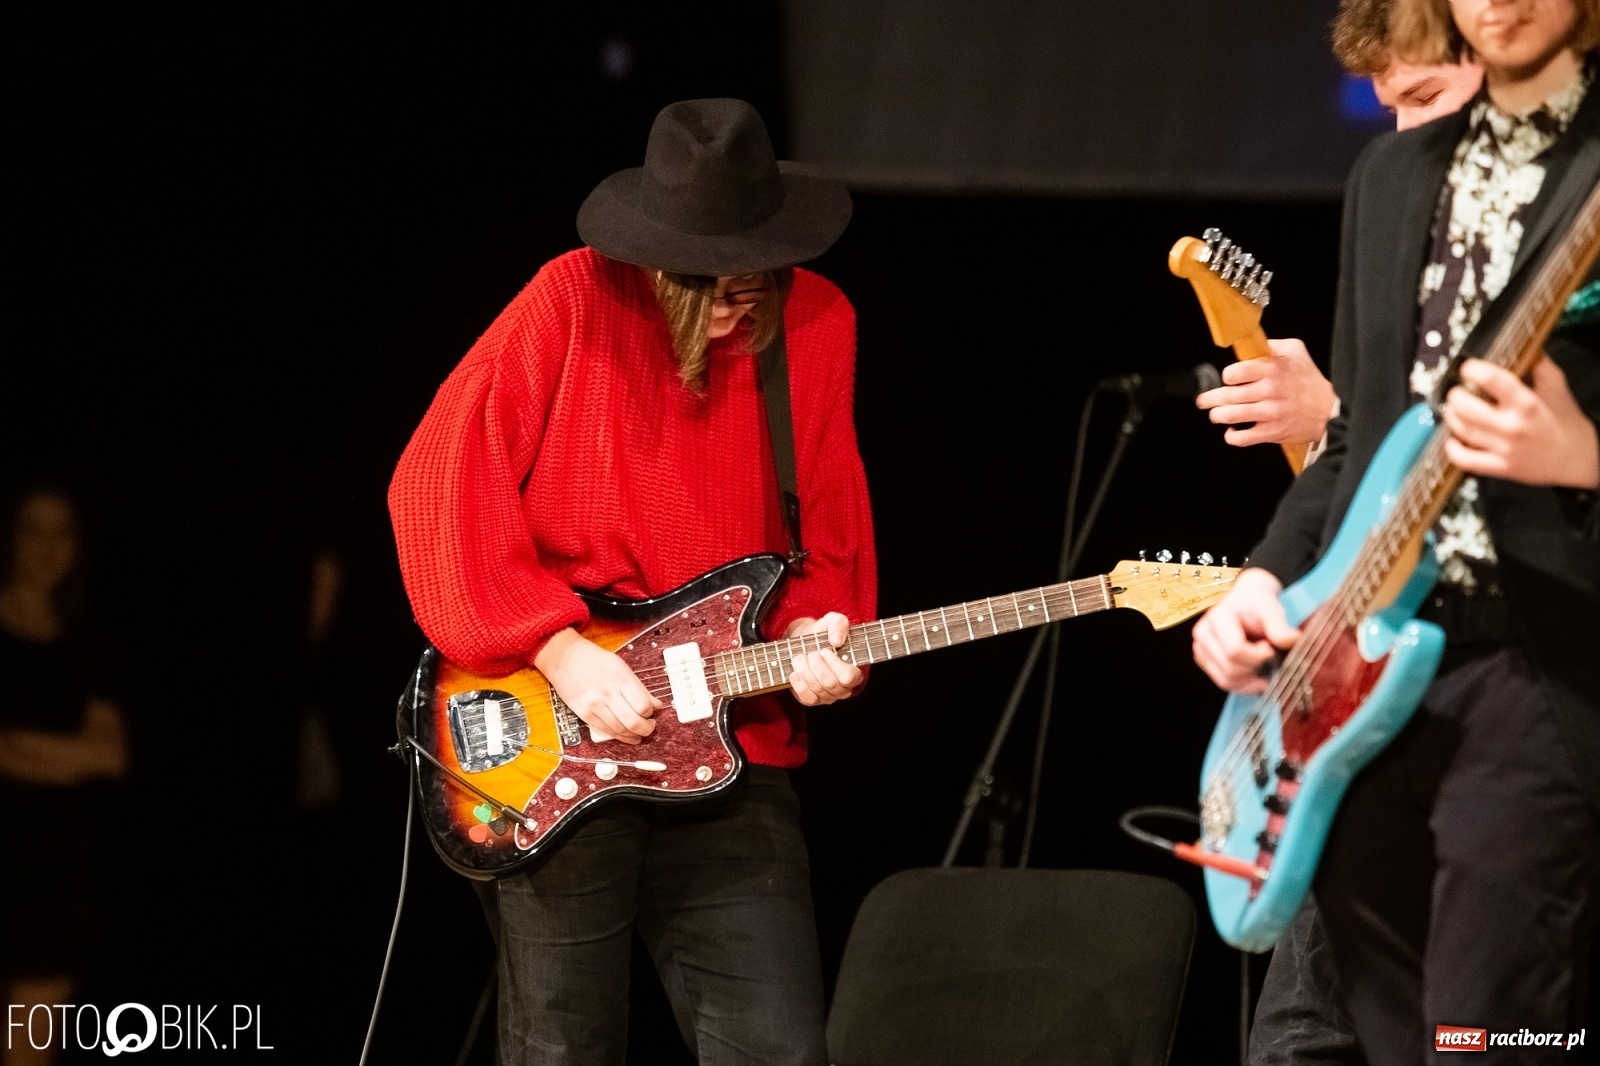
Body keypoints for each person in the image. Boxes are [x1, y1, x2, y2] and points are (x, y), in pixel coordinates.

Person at [388, 98, 874, 1065]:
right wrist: (557, 648)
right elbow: (438, 476)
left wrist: (825, 635)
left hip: (734, 744)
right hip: (559, 723)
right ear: (655, 265)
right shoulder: (574, 298)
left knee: (781, 1048)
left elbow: (827, 520)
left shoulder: (816, 320)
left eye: (757, 277)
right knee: (564, 1046)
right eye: (714, 286)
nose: (743, 303)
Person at [1194, 0, 1600, 1060]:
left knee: (1488, 1038)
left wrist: (1585, 459)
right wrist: (1263, 579)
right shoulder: (1391, 180)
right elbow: (1352, 448)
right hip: (1364, 679)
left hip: (1540, 661)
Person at [1193, 0, 1484, 465]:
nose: (1405, 133)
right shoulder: (1405, 221)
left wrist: (1331, 415)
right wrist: (1337, 424)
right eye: (1393, 111)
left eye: (1426, 97)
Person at [0, 486, 128, 1066]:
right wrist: (65, 756)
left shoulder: (83, 643)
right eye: (33, 529)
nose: (48, 548)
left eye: (63, 532)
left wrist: (26, 747)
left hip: (54, 871)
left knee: (29, 1043)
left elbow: (111, 756)